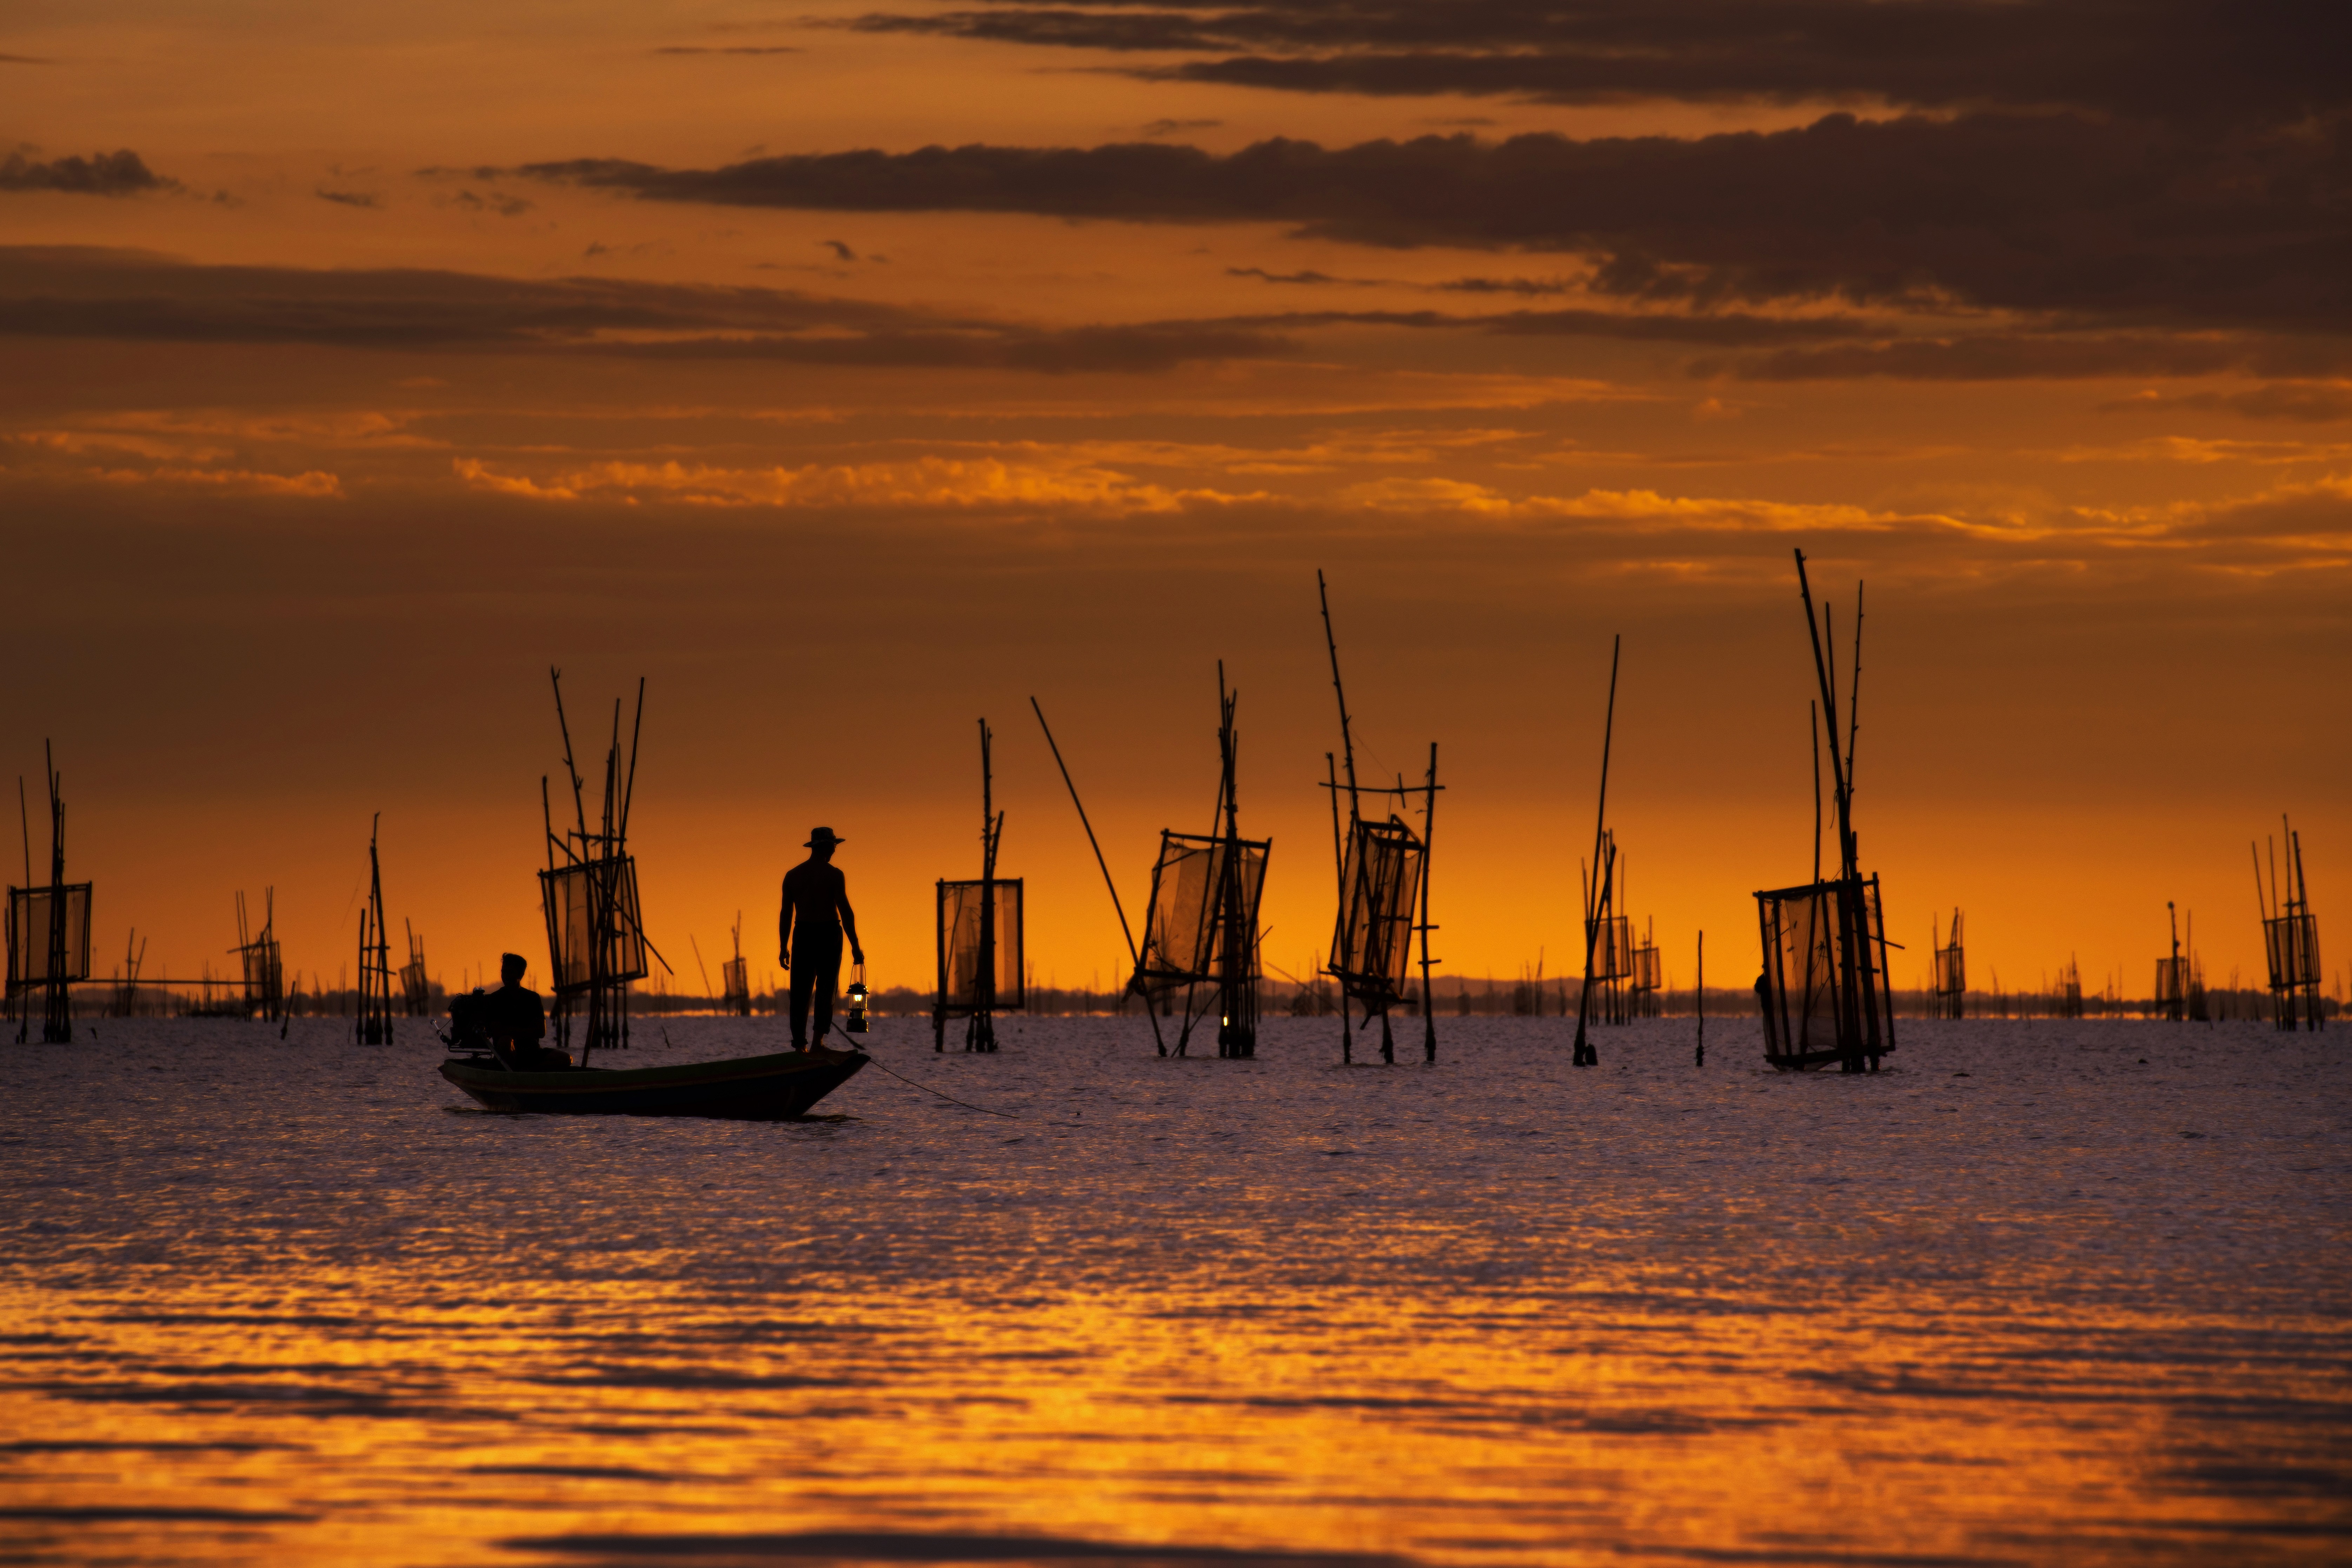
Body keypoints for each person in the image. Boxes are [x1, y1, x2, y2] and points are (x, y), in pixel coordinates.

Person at [780, 826, 864, 1051]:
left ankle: (800, 1046)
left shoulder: (793, 876)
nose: (836, 848)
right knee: (826, 989)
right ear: (826, 846)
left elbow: (786, 915)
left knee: (800, 992)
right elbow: (846, 911)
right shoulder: (834, 875)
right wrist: (855, 945)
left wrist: (783, 946)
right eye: (834, 844)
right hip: (828, 934)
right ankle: (817, 1043)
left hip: (803, 934)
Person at [487, 952, 564, 1069]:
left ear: (521, 975)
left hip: (532, 1051)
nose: (506, 976)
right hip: (506, 1053)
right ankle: (515, 1072)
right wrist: (527, 1031)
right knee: (506, 1041)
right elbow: (497, 1032)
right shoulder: (495, 999)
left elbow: (541, 1032)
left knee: (566, 1059)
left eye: (511, 973)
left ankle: (529, 1071)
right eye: (504, 972)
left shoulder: (533, 998)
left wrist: (510, 1030)